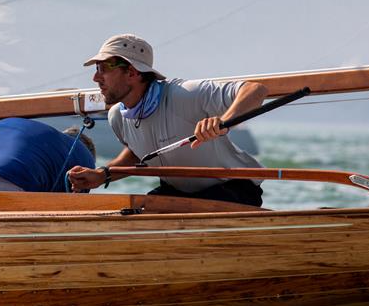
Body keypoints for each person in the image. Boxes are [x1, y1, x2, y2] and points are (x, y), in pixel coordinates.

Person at [67, 33, 268, 206]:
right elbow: (139, 154)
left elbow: (255, 90)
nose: (96, 78)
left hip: (233, 191)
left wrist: (223, 123)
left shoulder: (185, 94)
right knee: (135, 216)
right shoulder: (117, 116)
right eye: (96, 69)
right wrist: (102, 175)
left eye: (104, 68)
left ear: (131, 72)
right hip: (177, 192)